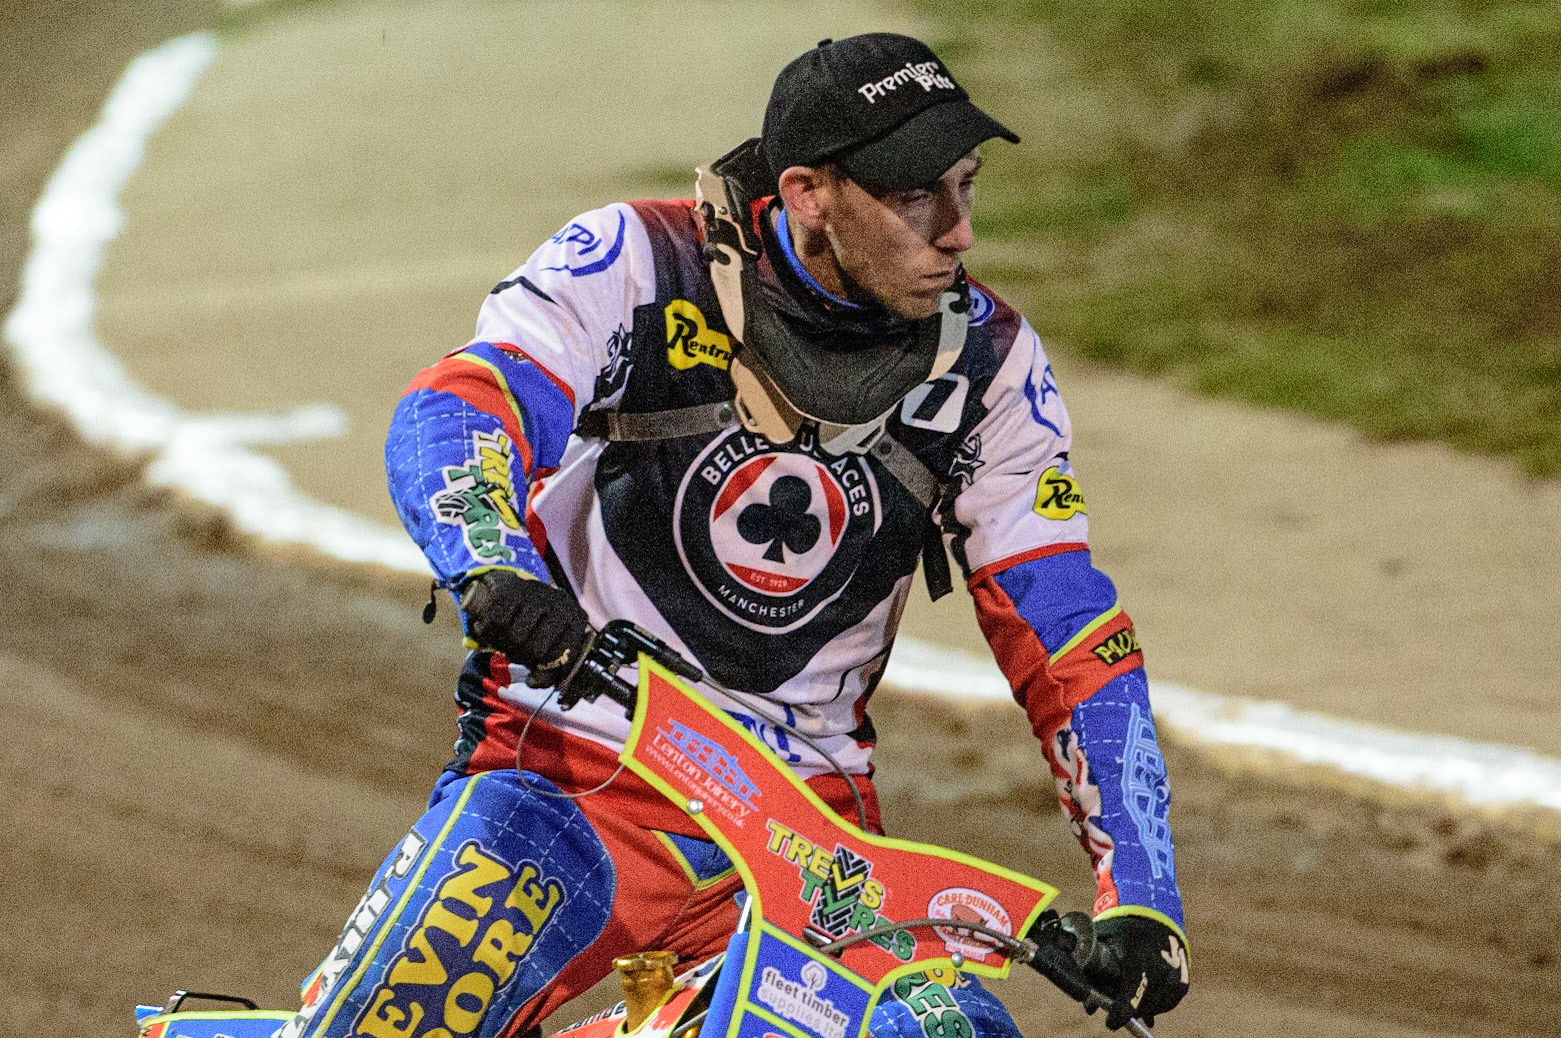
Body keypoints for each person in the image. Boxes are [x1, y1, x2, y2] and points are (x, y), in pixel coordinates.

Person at [278, 32, 1188, 1038]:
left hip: (808, 845)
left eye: (966, 186)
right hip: (567, 774)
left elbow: (1064, 627)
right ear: (808, 193)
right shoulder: (635, 260)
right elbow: (462, 403)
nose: (959, 232)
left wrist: (1142, 894)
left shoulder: (992, 364)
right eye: (916, 197)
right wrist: (489, 559)